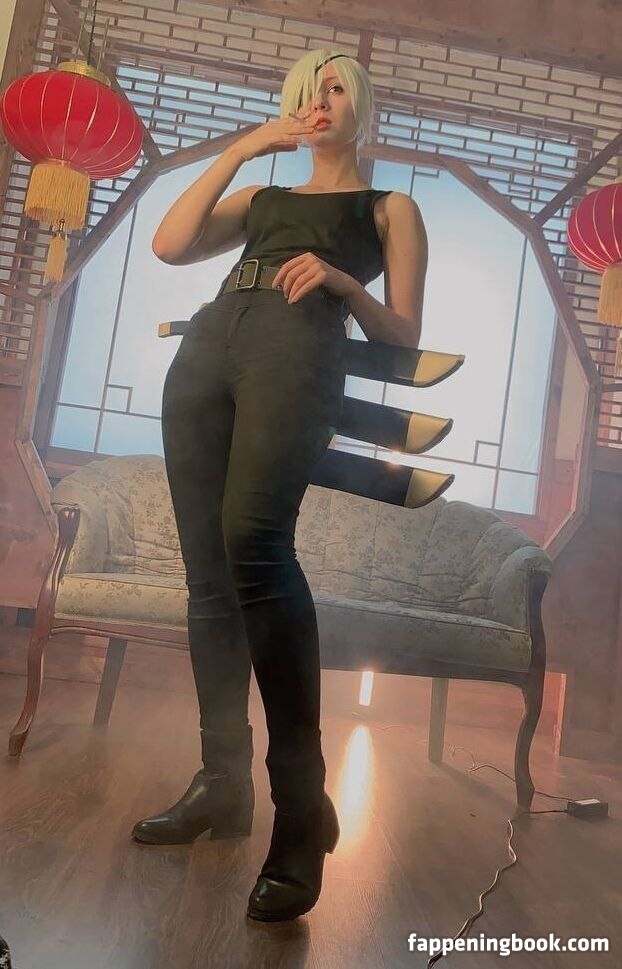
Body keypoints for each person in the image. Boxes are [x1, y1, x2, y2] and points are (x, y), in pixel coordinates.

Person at [130, 48, 418, 922]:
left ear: (361, 104)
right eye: (306, 91)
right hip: (209, 345)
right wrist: (246, 146)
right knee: (207, 576)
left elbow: (403, 335)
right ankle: (222, 782)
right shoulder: (261, 198)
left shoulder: (389, 206)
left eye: (335, 87)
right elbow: (169, 244)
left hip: (300, 345)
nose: (319, 100)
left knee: (254, 544)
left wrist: (342, 280)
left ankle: (300, 808)